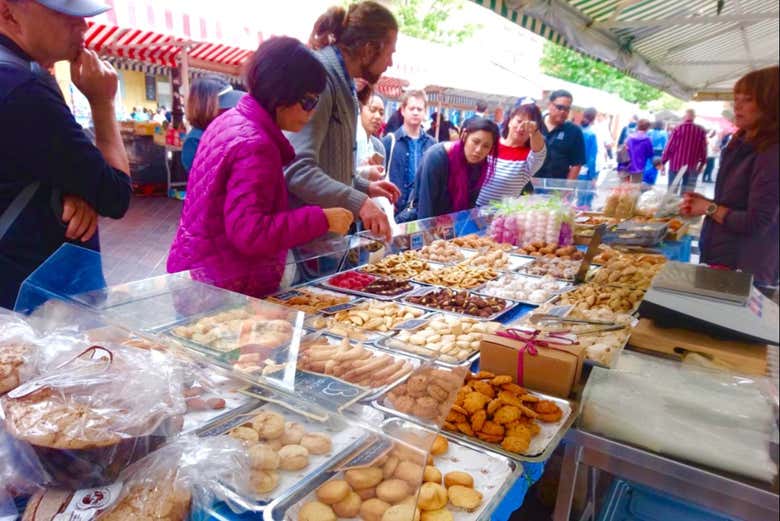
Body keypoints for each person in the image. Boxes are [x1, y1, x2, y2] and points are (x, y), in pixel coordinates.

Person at [167, 37, 353, 298]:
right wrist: (321, 219)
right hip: (224, 289)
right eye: (309, 101)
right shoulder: (256, 145)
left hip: (202, 275)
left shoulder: (230, 120)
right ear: (281, 94)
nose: (312, 112)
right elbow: (250, 233)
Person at [0, 0, 132, 310]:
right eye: (66, 13)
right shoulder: (22, 89)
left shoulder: (21, 77)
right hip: (31, 300)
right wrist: (103, 104)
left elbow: (37, 160)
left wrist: (71, 185)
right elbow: (115, 194)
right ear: (9, 13)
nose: (84, 24)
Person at [286, 1, 400, 241]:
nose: (390, 62)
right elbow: (297, 170)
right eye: (390, 53)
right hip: (306, 244)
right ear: (369, 49)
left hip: (326, 241)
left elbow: (327, 165)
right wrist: (360, 202)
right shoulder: (321, 80)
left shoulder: (344, 81)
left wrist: (362, 186)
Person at [681, 66, 778, 291]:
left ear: (770, 104)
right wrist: (704, 202)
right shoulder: (743, 142)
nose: (738, 105)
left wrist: (709, 208)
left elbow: (757, 222)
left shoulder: (771, 152)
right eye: (736, 98)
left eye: (748, 99)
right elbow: (737, 201)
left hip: (746, 269)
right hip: (724, 257)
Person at [414, 117, 500, 219]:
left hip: (454, 225)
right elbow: (425, 210)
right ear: (464, 135)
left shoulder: (481, 165)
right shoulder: (436, 158)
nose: (478, 150)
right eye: (475, 142)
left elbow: (469, 208)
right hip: (426, 223)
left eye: (486, 146)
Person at [477, 101, 546, 206]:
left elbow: (539, 152)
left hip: (500, 216)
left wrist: (534, 132)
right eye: (519, 121)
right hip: (471, 209)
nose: (521, 127)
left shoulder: (529, 157)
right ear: (509, 121)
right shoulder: (491, 142)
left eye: (528, 125)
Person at [382, 89, 435, 217]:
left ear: (425, 113)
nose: (415, 112)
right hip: (394, 213)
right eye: (411, 108)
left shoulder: (432, 144)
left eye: (419, 109)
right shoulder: (389, 141)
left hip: (422, 213)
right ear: (403, 111)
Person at [181, 76, 245, 172]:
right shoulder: (195, 141)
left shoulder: (224, 130)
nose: (230, 110)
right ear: (206, 107)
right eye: (225, 106)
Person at [536, 89, 585, 180]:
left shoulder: (574, 131)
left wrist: (567, 188)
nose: (563, 112)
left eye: (566, 109)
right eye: (559, 107)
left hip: (557, 186)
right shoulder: (535, 126)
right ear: (550, 105)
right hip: (532, 184)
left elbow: (576, 164)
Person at [661, 108, 707, 192]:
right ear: (694, 117)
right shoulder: (701, 131)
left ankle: (672, 204)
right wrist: (702, 163)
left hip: (676, 164)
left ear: (685, 117)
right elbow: (703, 149)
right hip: (692, 165)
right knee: (687, 194)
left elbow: (669, 147)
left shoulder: (678, 129)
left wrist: (663, 161)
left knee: (672, 191)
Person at [355, 91, 386, 182]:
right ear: (360, 109)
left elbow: (381, 179)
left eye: (381, 113)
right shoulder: (349, 141)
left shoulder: (379, 147)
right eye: (372, 110)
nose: (377, 116)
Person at [622, 119, 654, 184]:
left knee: (625, 185)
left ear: (638, 126)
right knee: (636, 185)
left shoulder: (629, 137)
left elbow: (624, 148)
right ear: (647, 128)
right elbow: (650, 153)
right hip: (639, 165)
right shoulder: (647, 139)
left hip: (627, 163)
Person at [579, 107, 599, 182]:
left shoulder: (577, 130)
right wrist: (593, 175)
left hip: (573, 169)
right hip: (585, 170)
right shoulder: (591, 134)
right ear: (594, 118)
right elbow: (592, 157)